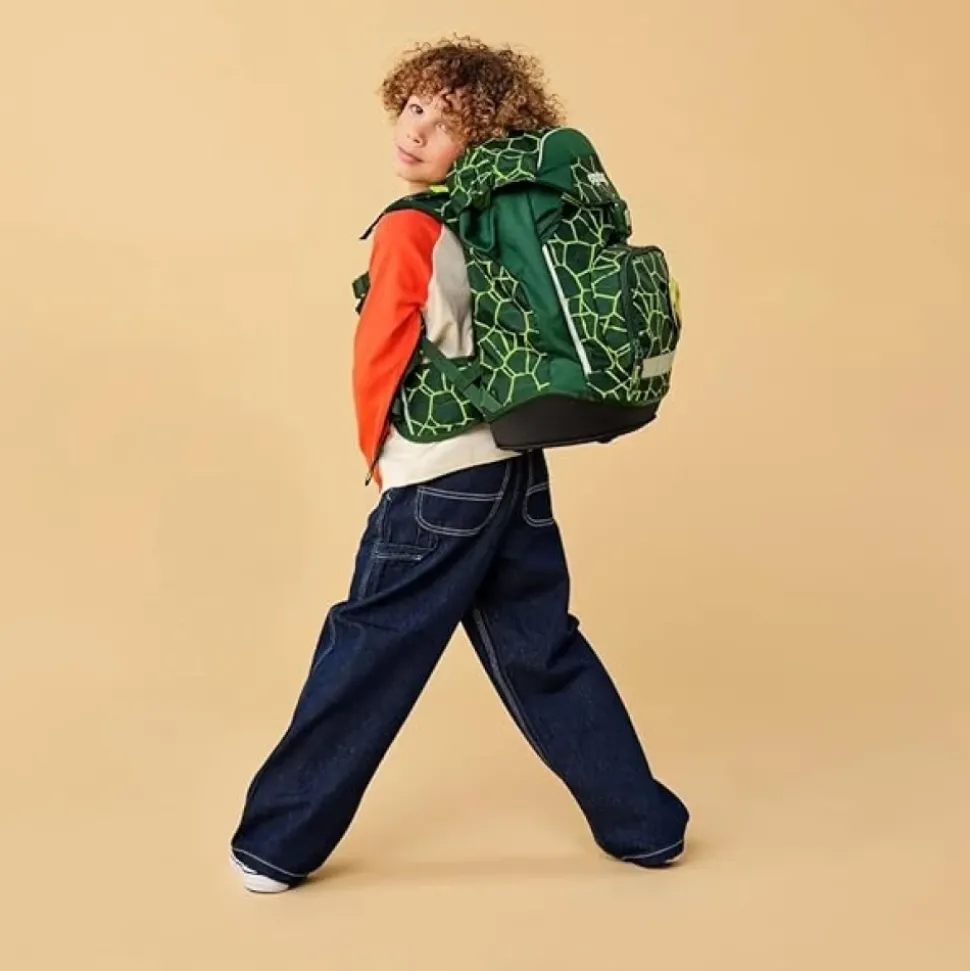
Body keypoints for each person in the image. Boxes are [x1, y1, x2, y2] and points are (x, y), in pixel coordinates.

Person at [229, 36, 689, 893]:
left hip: (439, 479)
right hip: (513, 464)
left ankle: (273, 845)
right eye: (413, 108)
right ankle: (647, 828)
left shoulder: (410, 227)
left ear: (477, 145)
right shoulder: (492, 224)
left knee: (370, 647)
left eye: (444, 125)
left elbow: (381, 353)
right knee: (541, 649)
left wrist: (380, 460)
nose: (415, 131)